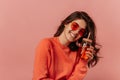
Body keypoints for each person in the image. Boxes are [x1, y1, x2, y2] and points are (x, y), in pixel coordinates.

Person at [32, 11, 101, 80]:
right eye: (75, 26)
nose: (76, 32)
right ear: (66, 23)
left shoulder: (78, 53)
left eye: (81, 31)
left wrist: (83, 61)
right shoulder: (46, 44)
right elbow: (39, 78)